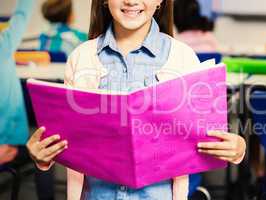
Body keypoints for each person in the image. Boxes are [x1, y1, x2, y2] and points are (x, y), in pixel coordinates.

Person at [26, 1, 246, 200]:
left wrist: (238, 148)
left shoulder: (183, 58)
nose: (131, 1)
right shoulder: (81, 58)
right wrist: (42, 156)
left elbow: (201, 137)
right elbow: (69, 139)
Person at [0, 0, 56, 199]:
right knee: (46, 151)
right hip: (9, 144)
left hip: (8, 143)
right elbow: (22, 15)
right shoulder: (3, 46)